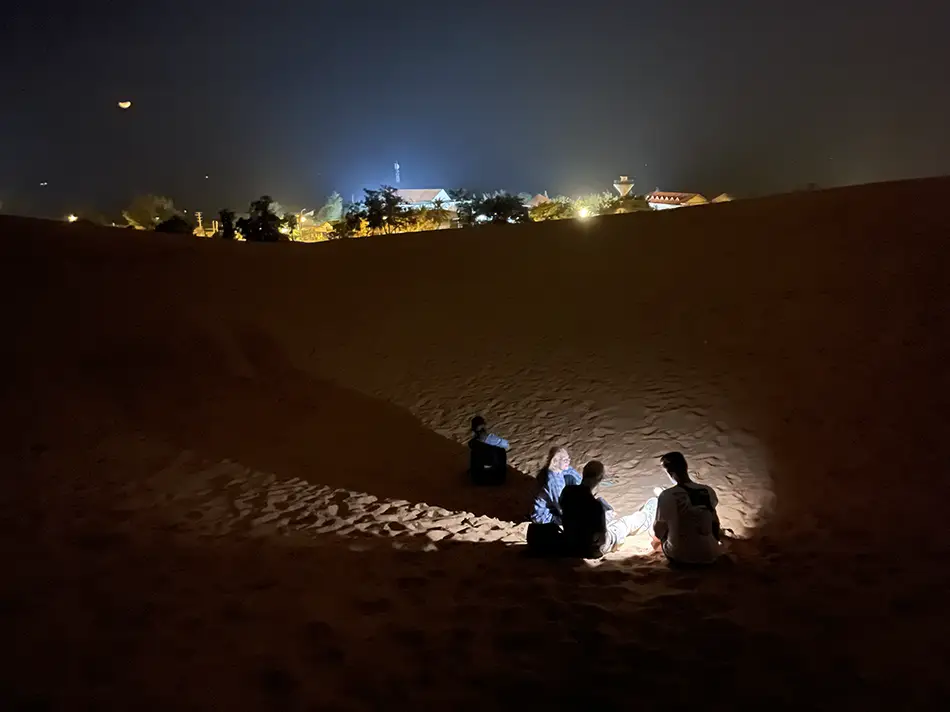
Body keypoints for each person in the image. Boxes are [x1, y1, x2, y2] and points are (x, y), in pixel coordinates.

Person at [560, 460, 658, 558]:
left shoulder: (567, 491)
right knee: (625, 523)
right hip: (592, 549)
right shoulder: (595, 506)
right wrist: (604, 519)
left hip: (571, 544)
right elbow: (602, 539)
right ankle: (648, 515)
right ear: (599, 479)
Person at [653, 451, 722, 566]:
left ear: (669, 472)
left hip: (681, 557)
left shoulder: (667, 495)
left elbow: (659, 530)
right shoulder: (708, 490)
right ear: (685, 467)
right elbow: (715, 523)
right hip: (711, 555)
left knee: (659, 529)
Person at [530, 447, 581, 525]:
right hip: (545, 513)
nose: (568, 461)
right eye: (565, 460)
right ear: (555, 462)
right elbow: (560, 506)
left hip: (555, 503)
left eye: (568, 459)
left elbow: (575, 476)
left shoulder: (559, 468)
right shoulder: (553, 482)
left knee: (570, 478)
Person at [468, 415, 509, 485]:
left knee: (474, 454)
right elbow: (507, 444)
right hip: (497, 479)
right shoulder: (492, 439)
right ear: (484, 426)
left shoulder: (472, 443)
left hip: (478, 479)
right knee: (501, 451)